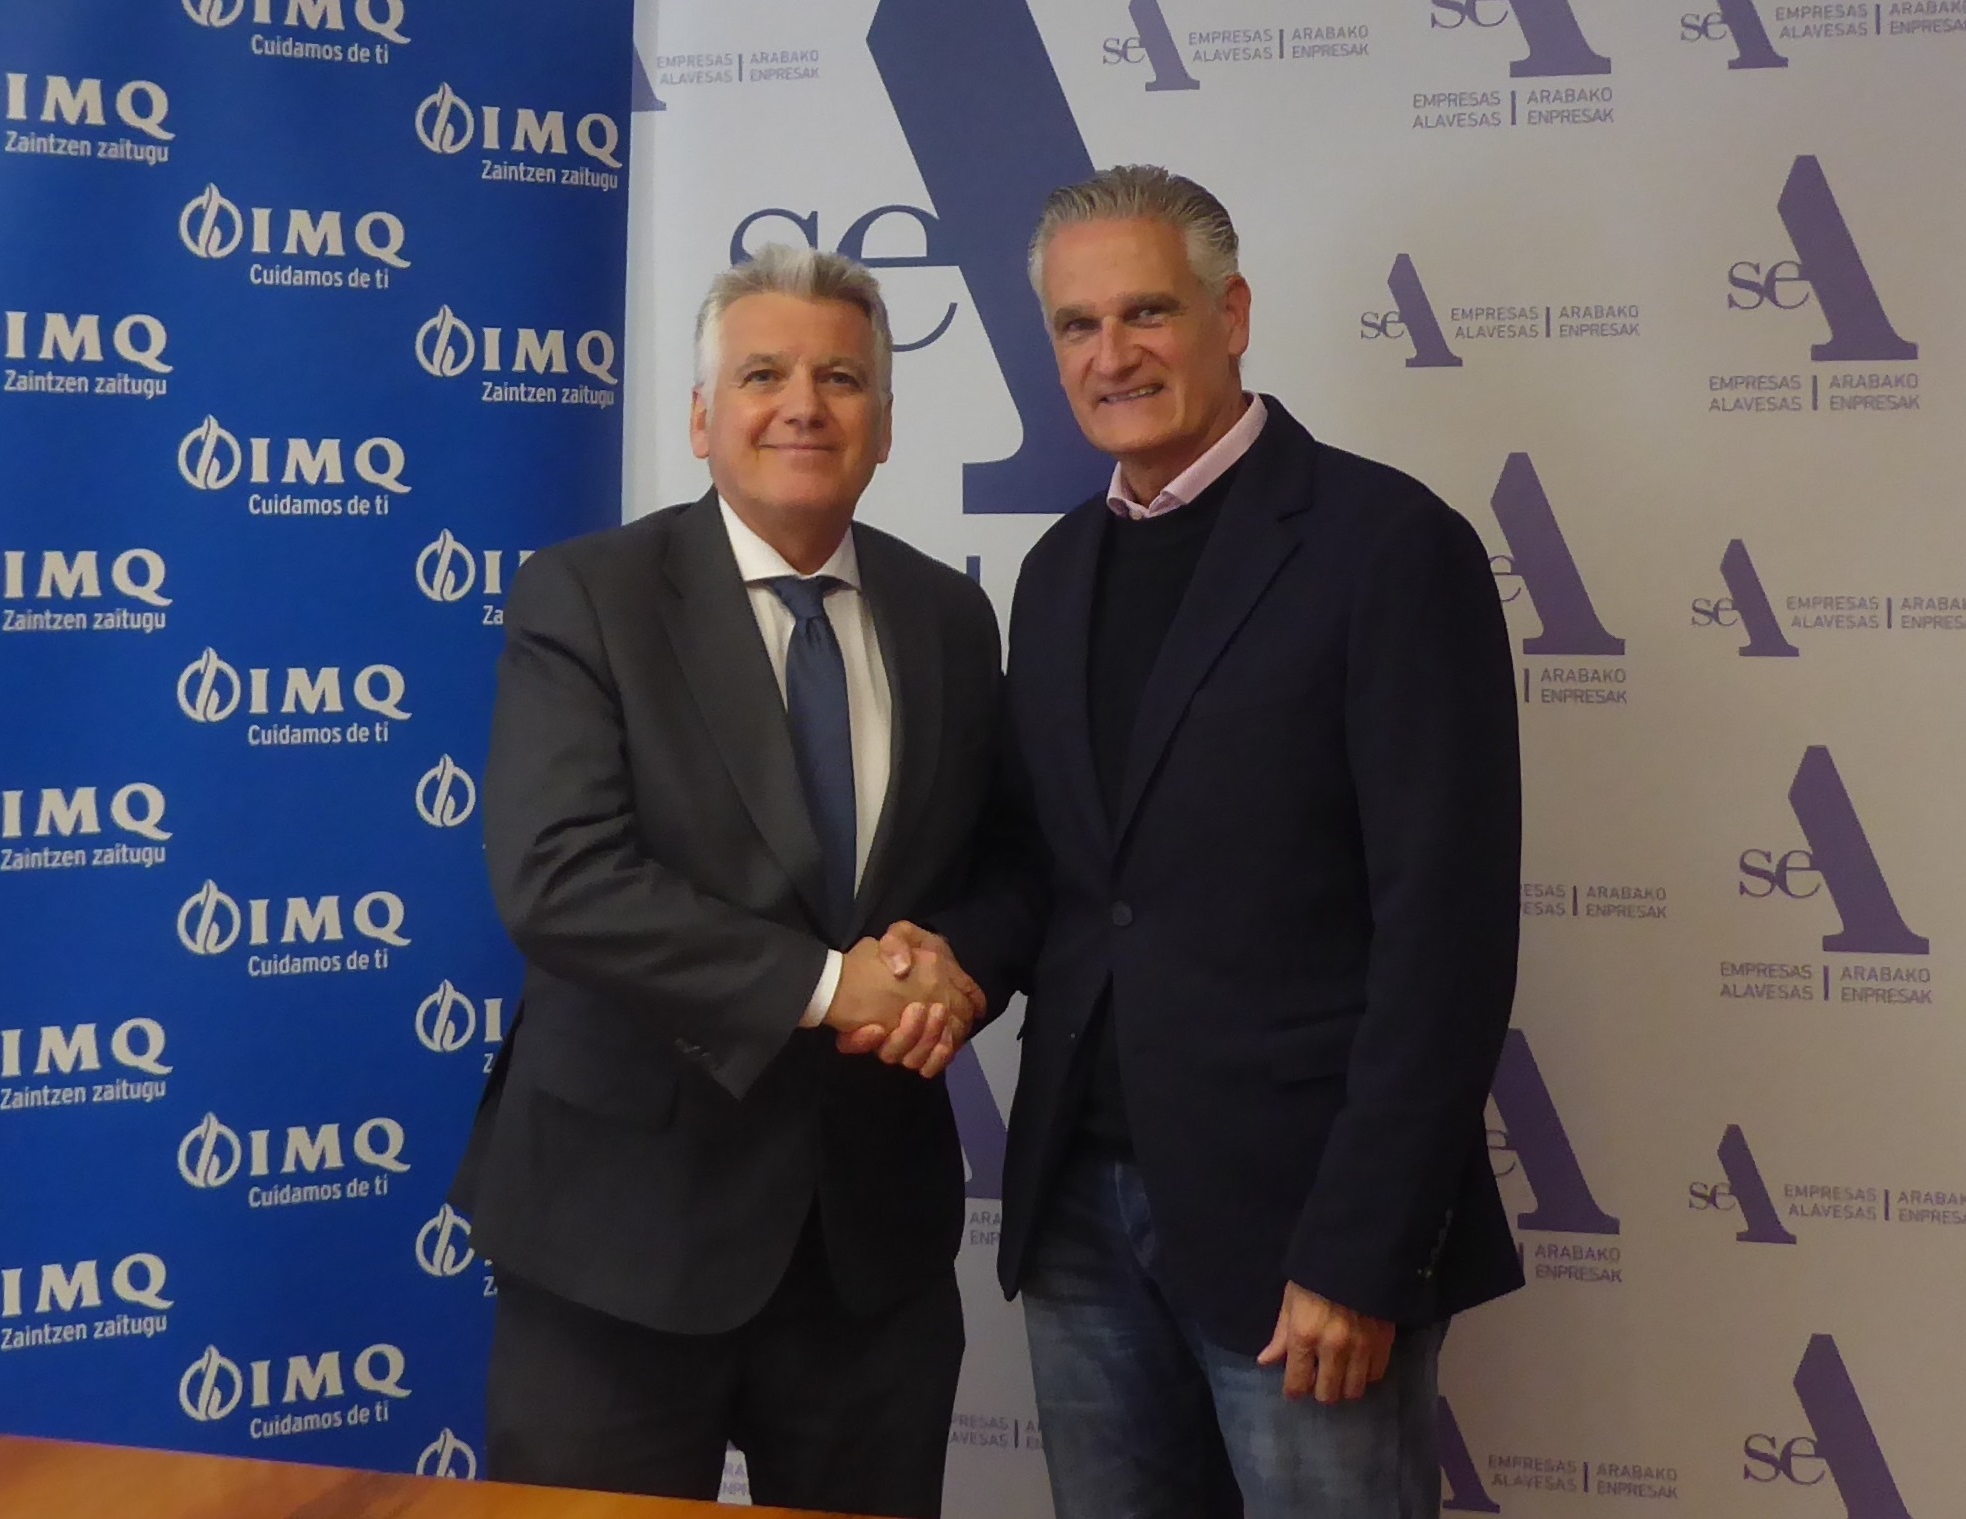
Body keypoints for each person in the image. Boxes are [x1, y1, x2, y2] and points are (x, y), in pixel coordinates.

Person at [919, 165, 1526, 1519]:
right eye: (1077, 325)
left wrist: (1362, 1248)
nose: (1112, 354)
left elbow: (1445, 933)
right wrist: (947, 964)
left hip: (1303, 1229)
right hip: (1079, 1217)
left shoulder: (1389, 545)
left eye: (1147, 311)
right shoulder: (1056, 570)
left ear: (1232, 314)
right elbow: (1047, 870)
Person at [449, 244, 1001, 1519]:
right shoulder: (585, 594)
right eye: (763, 375)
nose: (803, 405)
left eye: (842, 378)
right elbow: (558, 876)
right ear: (701, 418)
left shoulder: (949, 617)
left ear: (885, 427)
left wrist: (952, 971)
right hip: (617, 1244)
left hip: (870, 1256)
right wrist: (831, 985)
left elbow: (1008, 865)